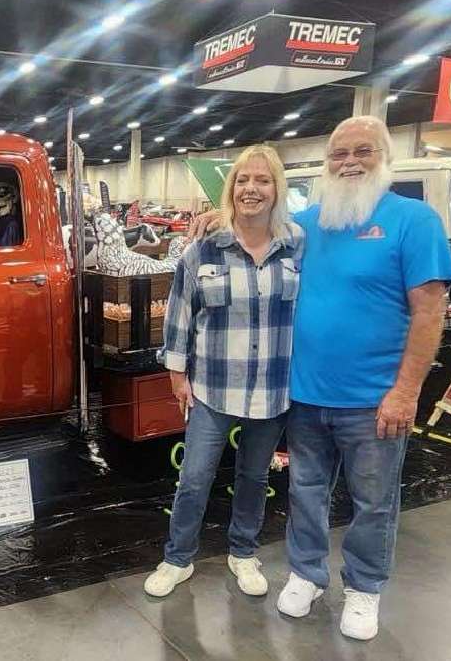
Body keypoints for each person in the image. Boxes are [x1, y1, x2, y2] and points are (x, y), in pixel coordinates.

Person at [190, 116, 451, 641]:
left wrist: (405, 393)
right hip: (306, 395)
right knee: (307, 491)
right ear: (326, 163)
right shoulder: (306, 224)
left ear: (385, 157)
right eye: (339, 153)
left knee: (373, 500)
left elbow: (429, 312)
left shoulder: (412, 220)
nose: (349, 161)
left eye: (363, 151)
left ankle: (363, 588)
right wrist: (214, 217)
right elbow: (252, 229)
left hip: (376, 399)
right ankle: (307, 573)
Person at [144, 145, 304, 599]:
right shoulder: (204, 250)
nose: (251, 189)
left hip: (273, 391)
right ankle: (177, 558)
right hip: (213, 388)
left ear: (277, 189)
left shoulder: (296, 244)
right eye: (242, 180)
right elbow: (179, 314)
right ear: (230, 188)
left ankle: (243, 552)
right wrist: (177, 376)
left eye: (263, 180)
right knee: (194, 478)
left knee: (254, 478)